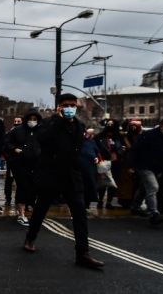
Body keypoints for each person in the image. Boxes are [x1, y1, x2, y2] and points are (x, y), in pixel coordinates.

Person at [23, 94, 104, 270]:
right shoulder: (49, 123)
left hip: (71, 176)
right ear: (59, 107)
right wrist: (58, 121)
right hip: (51, 174)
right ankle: (30, 237)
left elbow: (79, 149)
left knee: (79, 214)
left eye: (72, 105)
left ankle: (82, 253)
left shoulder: (78, 125)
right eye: (66, 105)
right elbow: (42, 139)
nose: (69, 108)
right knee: (41, 209)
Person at [128, 116, 163, 225]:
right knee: (153, 187)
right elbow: (135, 149)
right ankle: (154, 213)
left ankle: (135, 206)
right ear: (162, 125)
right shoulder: (149, 135)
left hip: (161, 166)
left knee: (145, 186)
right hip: (145, 165)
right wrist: (131, 165)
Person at [5, 110, 42, 227]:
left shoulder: (41, 131)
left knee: (34, 187)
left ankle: (30, 207)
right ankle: (21, 213)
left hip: (36, 165)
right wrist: (15, 149)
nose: (32, 121)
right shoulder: (17, 131)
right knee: (22, 187)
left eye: (34, 119)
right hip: (20, 164)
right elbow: (7, 143)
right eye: (30, 119)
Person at [95, 119, 123, 209]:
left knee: (112, 183)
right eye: (109, 124)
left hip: (115, 162)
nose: (110, 125)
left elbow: (121, 149)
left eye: (112, 124)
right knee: (102, 182)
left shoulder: (119, 137)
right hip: (103, 161)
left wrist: (119, 152)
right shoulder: (99, 137)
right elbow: (95, 147)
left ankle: (109, 202)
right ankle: (100, 201)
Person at [79, 129, 102, 210]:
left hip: (90, 167)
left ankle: (88, 203)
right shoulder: (78, 141)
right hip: (80, 166)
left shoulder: (92, 142)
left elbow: (97, 152)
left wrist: (97, 158)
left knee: (90, 185)